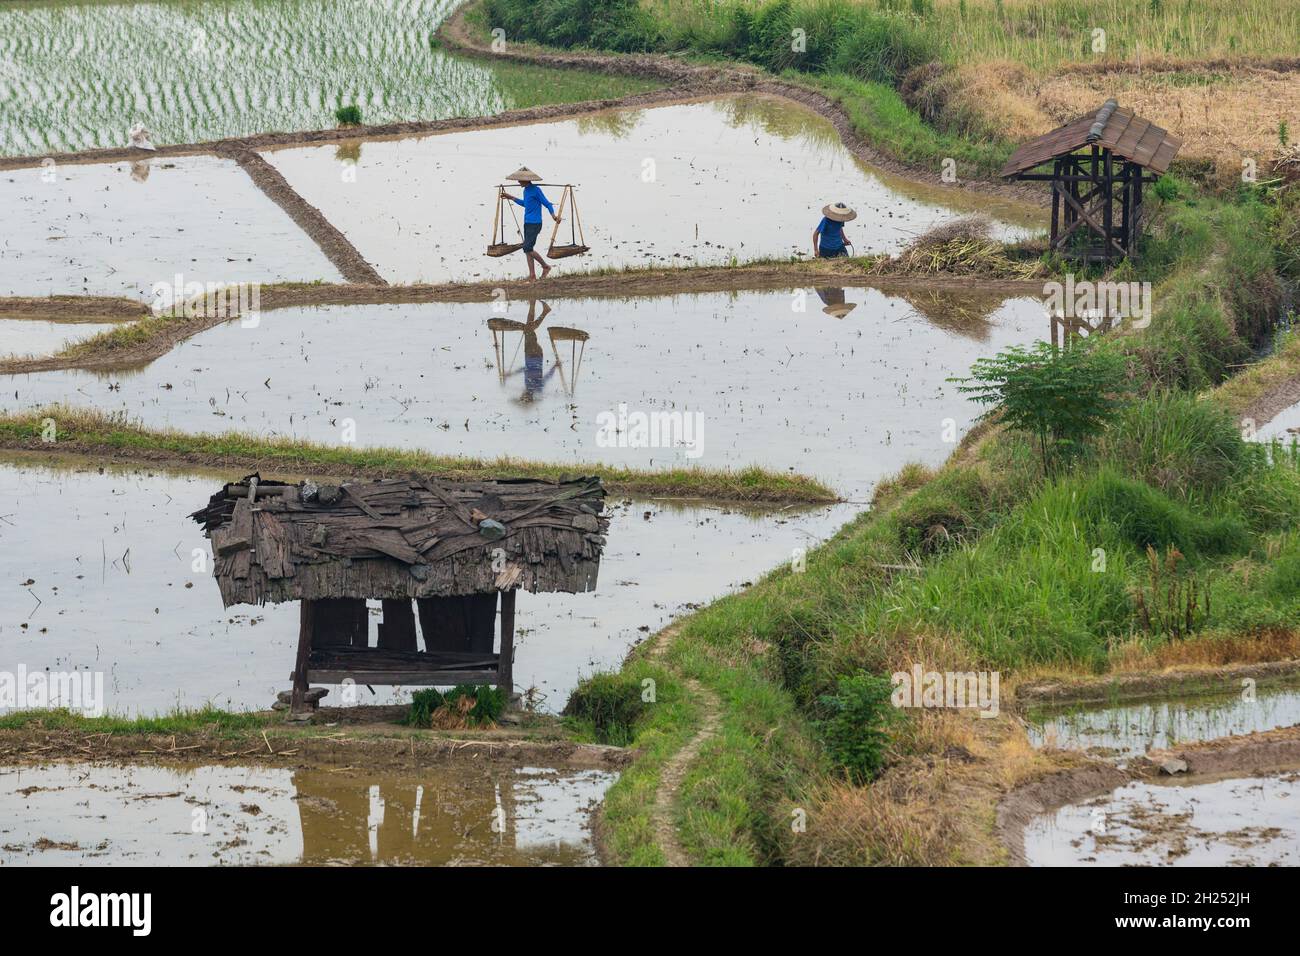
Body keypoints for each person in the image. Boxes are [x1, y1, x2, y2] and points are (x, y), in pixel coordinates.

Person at [503, 167, 561, 281]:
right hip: (527, 222)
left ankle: (545, 266)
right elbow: (526, 204)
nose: (518, 182)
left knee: (527, 247)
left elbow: (547, 203)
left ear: (526, 180)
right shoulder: (525, 191)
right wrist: (511, 197)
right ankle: (532, 275)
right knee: (527, 249)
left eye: (520, 180)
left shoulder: (536, 190)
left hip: (535, 223)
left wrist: (553, 215)